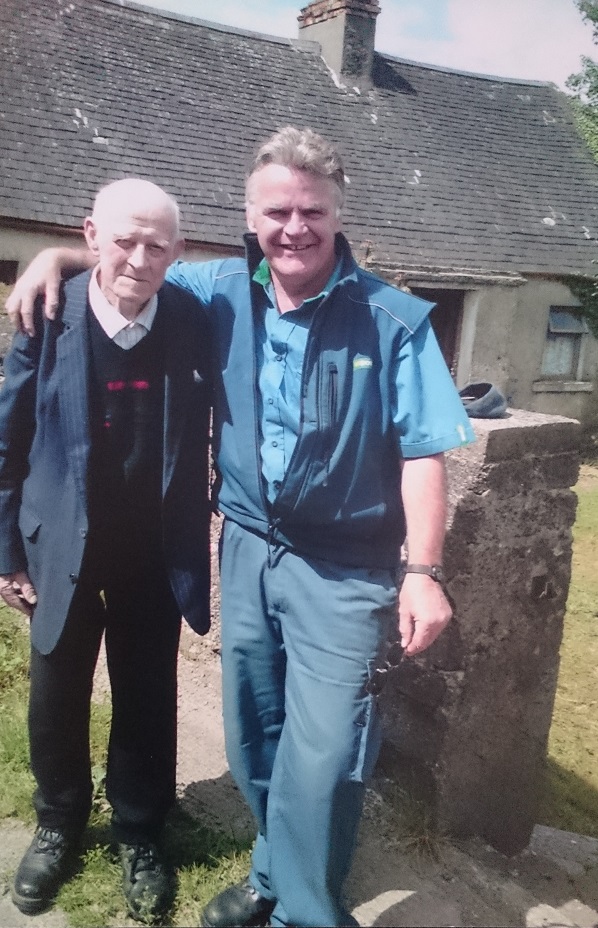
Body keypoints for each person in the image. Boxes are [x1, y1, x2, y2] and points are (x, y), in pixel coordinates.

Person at [6, 127, 475, 928]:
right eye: (277, 212)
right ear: (250, 221)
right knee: (254, 736)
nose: (294, 227)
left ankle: (299, 907)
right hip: (249, 549)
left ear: (337, 213)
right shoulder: (222, 289)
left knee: (324, 754)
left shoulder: (389, 320)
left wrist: (422, 571)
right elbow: (130, 265)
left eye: (311, 211)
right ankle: (261, 870)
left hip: (342, 561)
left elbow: (425, 450)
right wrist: (55, 262)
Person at [0, 178, 212, 921]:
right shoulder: (46, 314)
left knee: (148, 691)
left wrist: (50, 254)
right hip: (58, 538)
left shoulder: (192, 315)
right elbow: (8, 439)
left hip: (152, 549)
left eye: (158, 245)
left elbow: (275, 267)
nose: (139, 258)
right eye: (125, 240)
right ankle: (58, 823)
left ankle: (140, 828)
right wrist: (5, 553)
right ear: (91, 236)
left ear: (178, 253)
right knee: (56, 689)